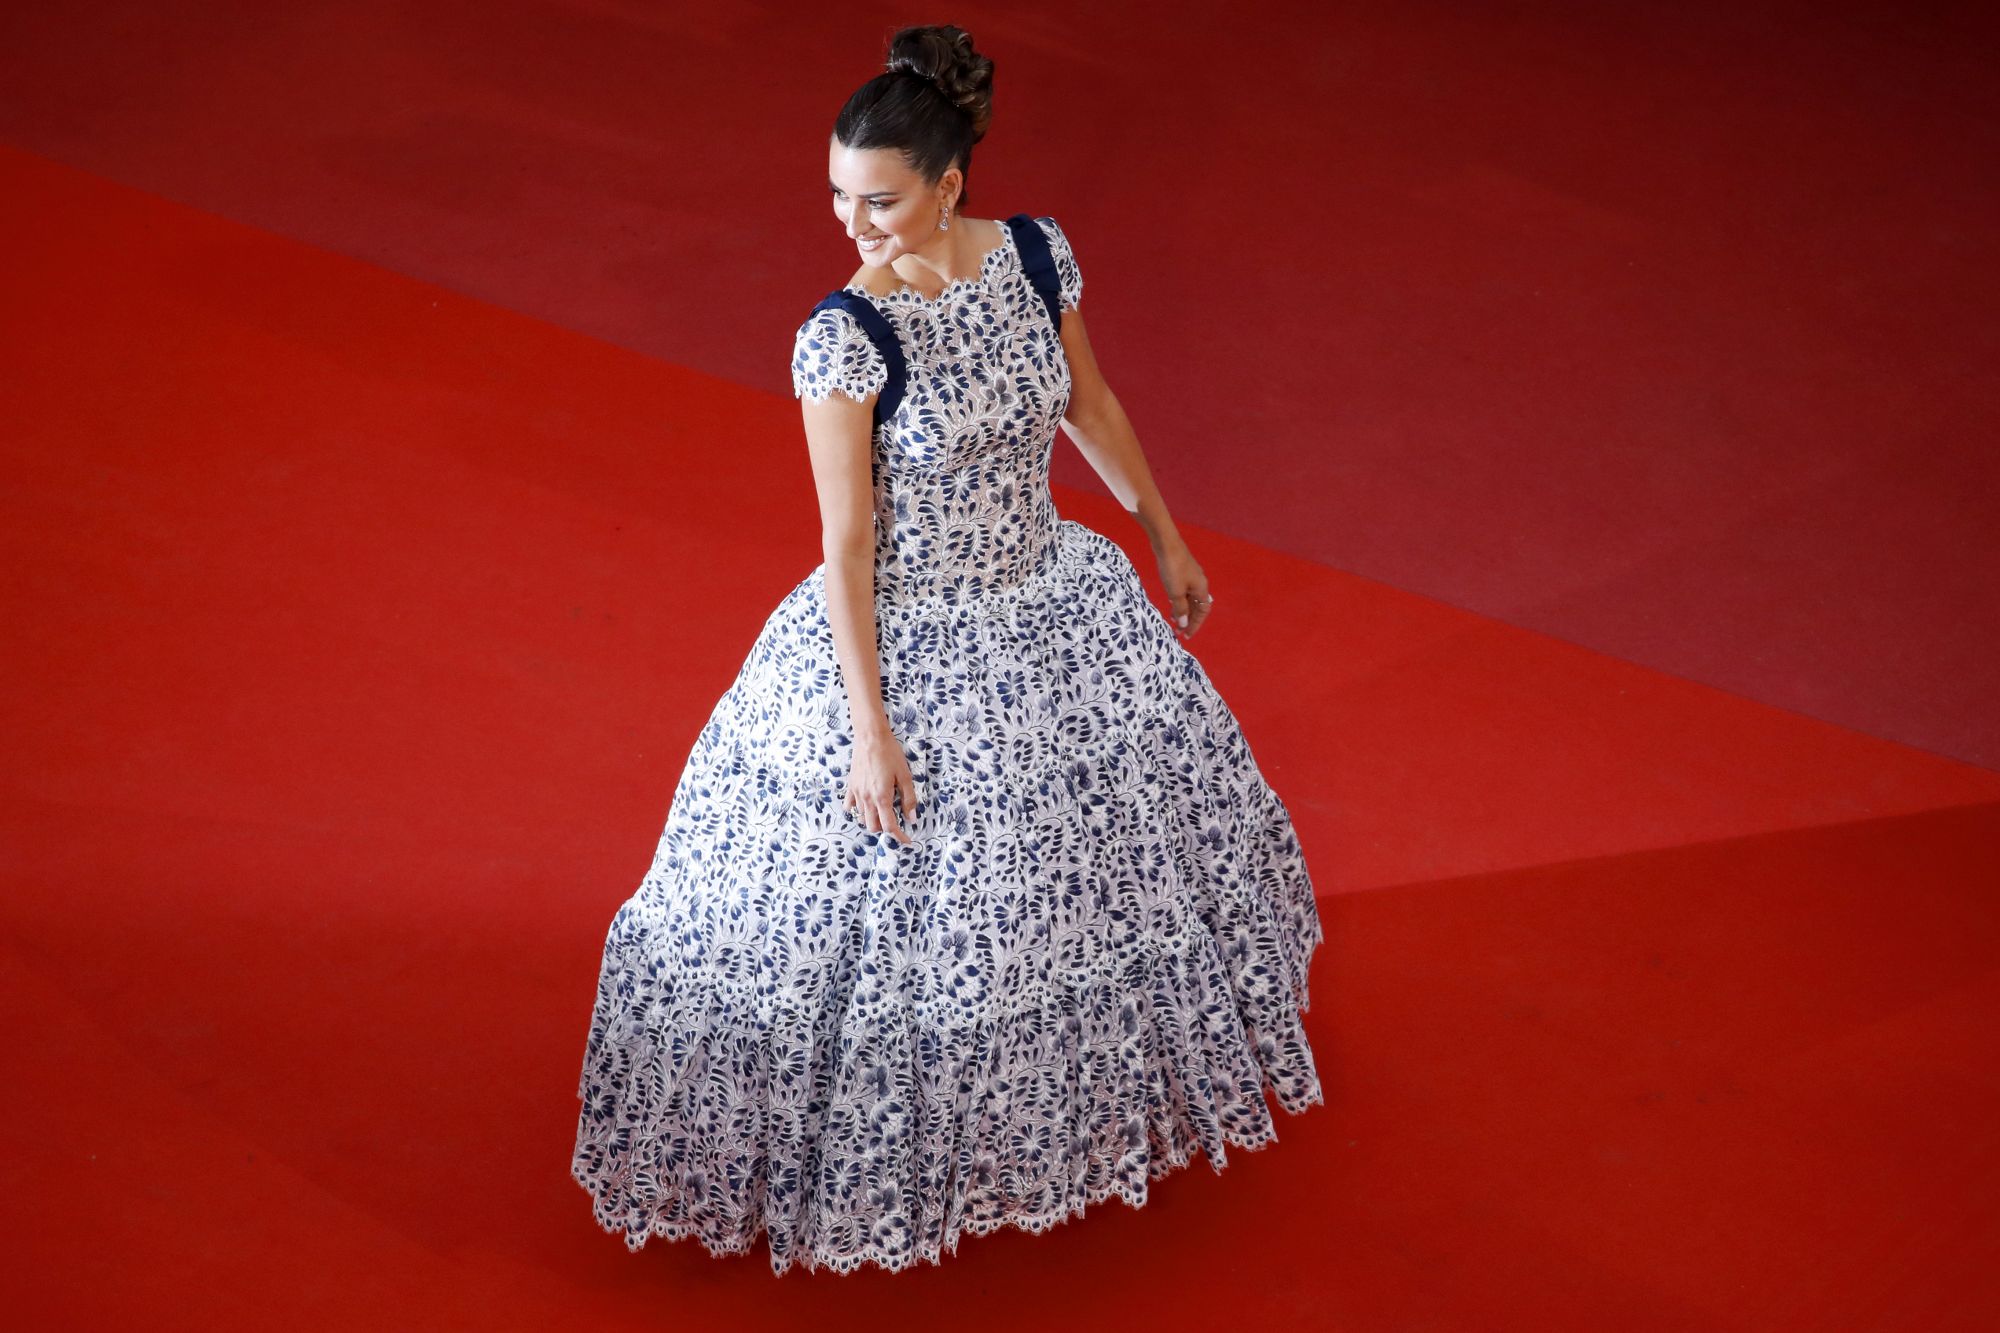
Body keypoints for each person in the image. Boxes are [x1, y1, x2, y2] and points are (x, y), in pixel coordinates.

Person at [572, 23, 1325, 1277]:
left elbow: (1085, 403)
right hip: (907, 645)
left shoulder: (1034, 257)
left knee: (1073, 883)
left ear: (950, 184)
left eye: (878, 200)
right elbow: (847, 546)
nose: (850, 225)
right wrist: (871, 727)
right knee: (908, 921)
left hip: (1051, 601)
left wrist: (1159, 532)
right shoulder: (842, 337)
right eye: (833, 198)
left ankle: (1061, 1118)